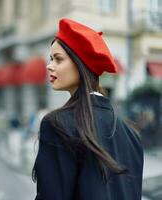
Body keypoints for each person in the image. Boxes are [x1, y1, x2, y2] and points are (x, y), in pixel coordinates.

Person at [32, 18, 144, 200]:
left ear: (80, 63)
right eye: (51, 58)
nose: (49, 65)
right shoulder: (131, 134)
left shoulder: (57, 124)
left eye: (58, 59)